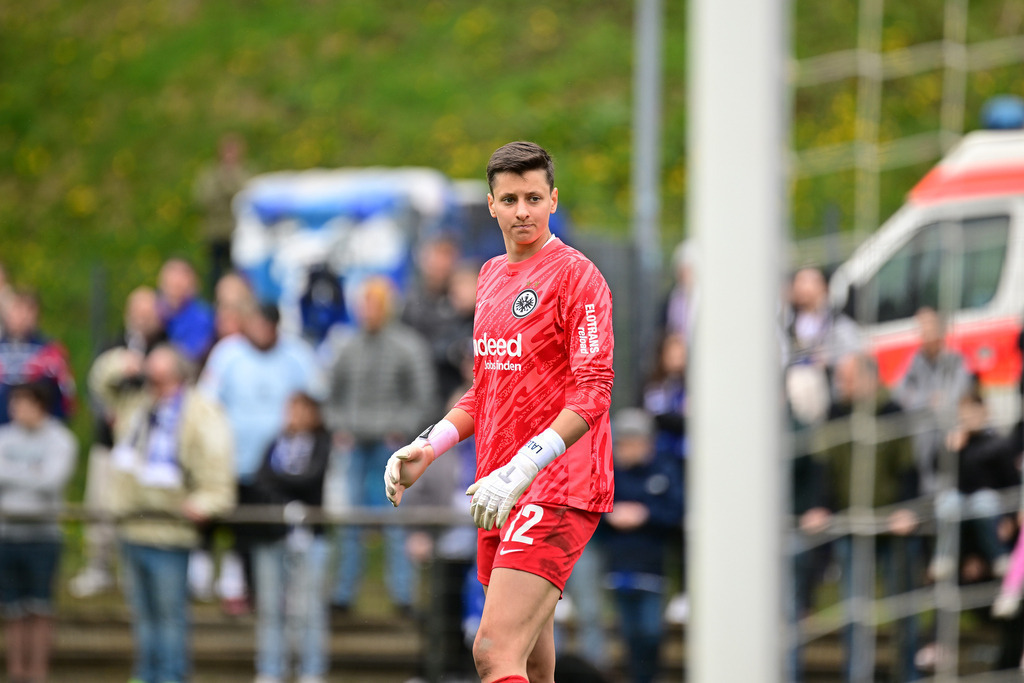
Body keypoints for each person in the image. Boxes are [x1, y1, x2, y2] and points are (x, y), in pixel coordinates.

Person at [384, 141, 615, 683]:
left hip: (556, 484)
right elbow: (485, 389)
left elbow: (593, 391)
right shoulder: (489, 277)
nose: (522, 211)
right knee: (532, 661)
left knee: (492, 651)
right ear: (491, 205)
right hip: (500, 488)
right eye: (509, 199)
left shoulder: (579, 278)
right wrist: (431, 446)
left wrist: (526, 464)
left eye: (533, 197)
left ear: (553, 200)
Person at [90, 343, 235, 683]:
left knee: (170, 619)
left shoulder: (201, 411)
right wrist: (122, 363)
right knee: (142, 618)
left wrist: (204, 504)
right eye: (149, 376)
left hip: (171, 533)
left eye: (160, 377)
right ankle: (145, 676)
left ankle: (171, 677)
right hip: (131, 528)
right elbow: (100, 383)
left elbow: (218, 475)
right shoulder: (136, 401)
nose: (153, 384)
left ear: (178, 377)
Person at [196, 302, 323, 613]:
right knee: (238, 527)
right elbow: (207, 402)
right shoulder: (228, 354)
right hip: (235, 462)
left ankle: (278, 593)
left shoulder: (298, 356)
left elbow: (314, 400)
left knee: (275, 530)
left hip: (282, 468)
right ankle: (234, 587)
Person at [806, 353, 921, 682]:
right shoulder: (834, 413)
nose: (841, 384)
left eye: (848, 378)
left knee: (904, 610)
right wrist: (820, 506)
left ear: (870, 379)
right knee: (855, 613)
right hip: (851, 528)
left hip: (893, 529)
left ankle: (906, 675)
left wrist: (905, 510)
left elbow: (908, 469)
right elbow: (822, 466)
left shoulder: (894, 412)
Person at [326, 275, 436, 616]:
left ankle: (402, 595)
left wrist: (401, 428)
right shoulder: (346, 346)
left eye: (374, 305)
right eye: (364, 304)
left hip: (391, 447)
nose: (367, 311)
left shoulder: (408, 346)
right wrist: (339, 426)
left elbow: (422, 398)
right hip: (354, 444)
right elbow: (331, 396)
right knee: (350, 522)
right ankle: (343, 593)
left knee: (394, 519)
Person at [70, 286, 168, 599]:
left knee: (135, 510)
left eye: (148, 313)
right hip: (109, 443)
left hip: (145, 447)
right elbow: (94, 387)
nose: (142, 319)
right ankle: (97, 566)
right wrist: (107, 414)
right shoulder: (111, 344)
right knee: (99, 503)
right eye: (137, 312)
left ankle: (131, 571)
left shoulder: (165, 349)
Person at [249, 392, 332, 683]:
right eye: (290, 409)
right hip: (273, 534)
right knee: (270, 605)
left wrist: (279, 482)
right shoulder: (274, 443)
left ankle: (312, 669)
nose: (293, 416)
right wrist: (287, 497)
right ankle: (270, 668)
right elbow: (258, 479)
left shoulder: (323, 444)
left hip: (310, 536)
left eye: (300, 410)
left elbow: (310, 480)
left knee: (310, 607)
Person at [0, 382, 77, 683]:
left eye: (24, 404)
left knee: (41, 607)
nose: (18, 411)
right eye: (14, 404)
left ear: (40, 406)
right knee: (12, 608)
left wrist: (13, 475)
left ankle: (38, 673)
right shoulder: (4, 437)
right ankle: (16, 672)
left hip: (44, 537)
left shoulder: (61, 440)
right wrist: (33, 471)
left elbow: (51, 481)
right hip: (7, 535)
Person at [602, 408, 683, 683]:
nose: (629, 449)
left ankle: (649, 677)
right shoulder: (610, 472)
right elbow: (593, 516)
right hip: (619, 565)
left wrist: (644, 514)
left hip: (654, 567)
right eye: (624, 442)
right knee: (628, 633)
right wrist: (611, 517)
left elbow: (675, 512)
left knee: (650, 630)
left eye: (635, 442)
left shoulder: (665, 469)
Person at [893, 307, 973, 499]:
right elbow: (898, 395)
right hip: (921, 427)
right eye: (922, 329)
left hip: (948, 429)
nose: (925, 334)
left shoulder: (956, 361)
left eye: (929, 328)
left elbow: (956, 399)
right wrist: (927, 401)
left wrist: (924, 401)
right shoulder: (915, 361)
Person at [0, 288, 75, 425]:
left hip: (41, 431)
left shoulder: (50, 351)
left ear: (36, 315)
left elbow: (66, 395)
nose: (21, 316)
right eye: (16, 309)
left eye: (28, 310)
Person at [193, 133, 252, 290]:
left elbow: (249, 197)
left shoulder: (245, 173)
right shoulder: (210, 174)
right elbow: (203, 199)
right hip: (216, 232)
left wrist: (228, 189)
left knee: (239, 271)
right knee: (216, 272)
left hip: (237, 232)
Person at [157, 258, 216, 364]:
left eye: (180, 278)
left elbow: (192, 356)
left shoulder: (202, 316)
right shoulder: (157, 310)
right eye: (170, 278)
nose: (175, 281)